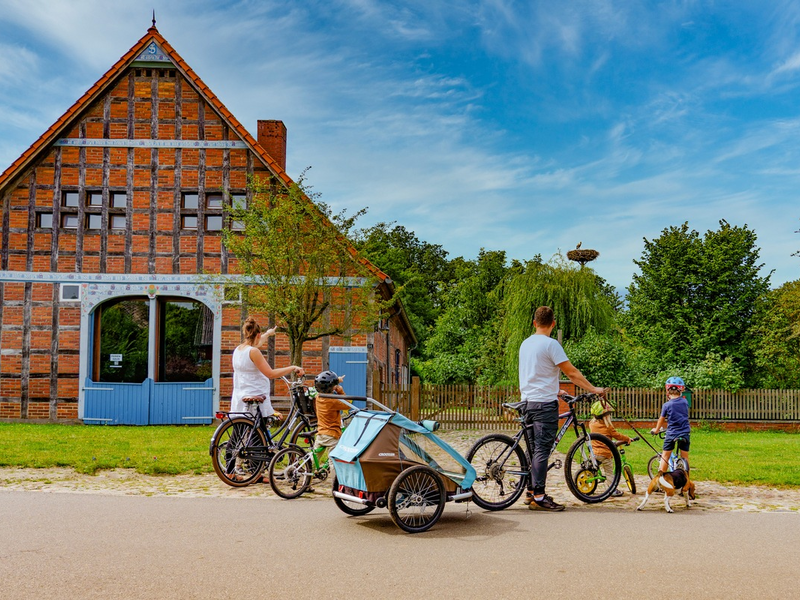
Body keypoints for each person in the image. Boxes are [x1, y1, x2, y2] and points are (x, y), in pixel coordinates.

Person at [518, 305, 606, 511]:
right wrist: (593, 389)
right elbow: (572, 373)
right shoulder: (551, 345)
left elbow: (535, 374)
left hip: (527, 402)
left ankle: (531, 491)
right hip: (544, 405)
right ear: (553, 323)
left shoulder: (525, 344)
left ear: (534, 323)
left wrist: (555, 389)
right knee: (542, 450)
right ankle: (539, 496)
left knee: (533, 450)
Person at [230, 317, 305, 419]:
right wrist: (292, 367)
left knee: (245, 432)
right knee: (259, 430)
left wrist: (268, 333)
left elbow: (257, 342)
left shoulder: (238, 350)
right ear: (258, 335)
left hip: (240, 397)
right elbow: (270, 373)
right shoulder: (254, 352)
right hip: (255, 397)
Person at [588, 399, 632, 496]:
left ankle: (589, 485)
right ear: (606, 416)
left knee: (592, 469)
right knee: (609, 473)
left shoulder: (591, 424)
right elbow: (618, 435)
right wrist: (627, 438)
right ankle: (612, 490)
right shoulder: (608, 427)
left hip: (593, 453)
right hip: (605, 454)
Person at [651, 376, 691, 473]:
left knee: (665, 456)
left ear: (667, 390)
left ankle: (661, 479)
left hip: (672, 433)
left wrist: (656, 430)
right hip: (685, 432)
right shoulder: (685, 402)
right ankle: (687, 480)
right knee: (685, 456)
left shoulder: (667, 405)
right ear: (681, 389)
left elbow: (661, 419)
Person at [311, 370, 350, 466]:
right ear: (331, 388)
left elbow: (328, 384)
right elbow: (347, 404)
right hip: (332, 435)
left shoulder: (318, 397)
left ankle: (307, 476)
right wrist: (340, 392)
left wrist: (337, 380)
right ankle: (335, 481)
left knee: (314, 459)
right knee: (334, 462)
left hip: (320, 433)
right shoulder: (333, 401)